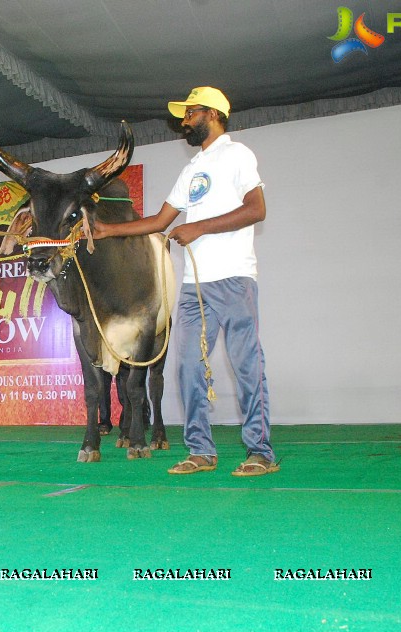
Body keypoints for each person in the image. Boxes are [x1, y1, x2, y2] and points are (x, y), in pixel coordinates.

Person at [93, 86, 278, 477]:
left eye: (190, 113)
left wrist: (198, 228)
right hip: (194, 287)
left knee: (247, 365)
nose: (183, 121)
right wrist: (108, 230)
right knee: (188, 369)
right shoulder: (191, 170)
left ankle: (260, 452)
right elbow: (161, 222)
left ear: (212, 114)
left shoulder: (237, 154)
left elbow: (257, 209)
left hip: (233, 279)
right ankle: (200, 451)